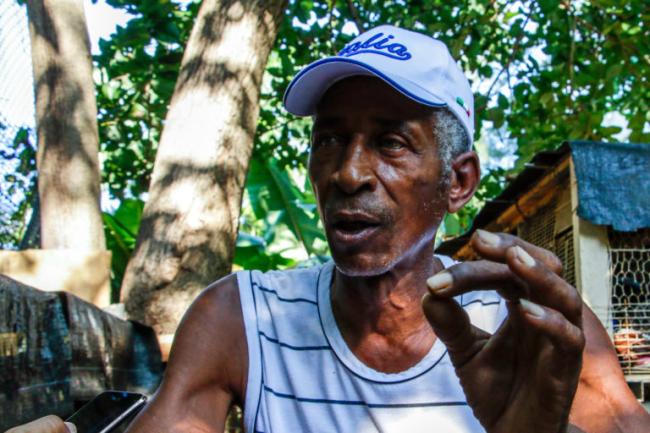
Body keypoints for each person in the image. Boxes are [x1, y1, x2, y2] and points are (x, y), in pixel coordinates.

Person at [8, 25, 649, 433]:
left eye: (392, 142)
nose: (348, 172)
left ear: (457, 180)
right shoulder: (241, 319)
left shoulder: (533, 331)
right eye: (332, 139)